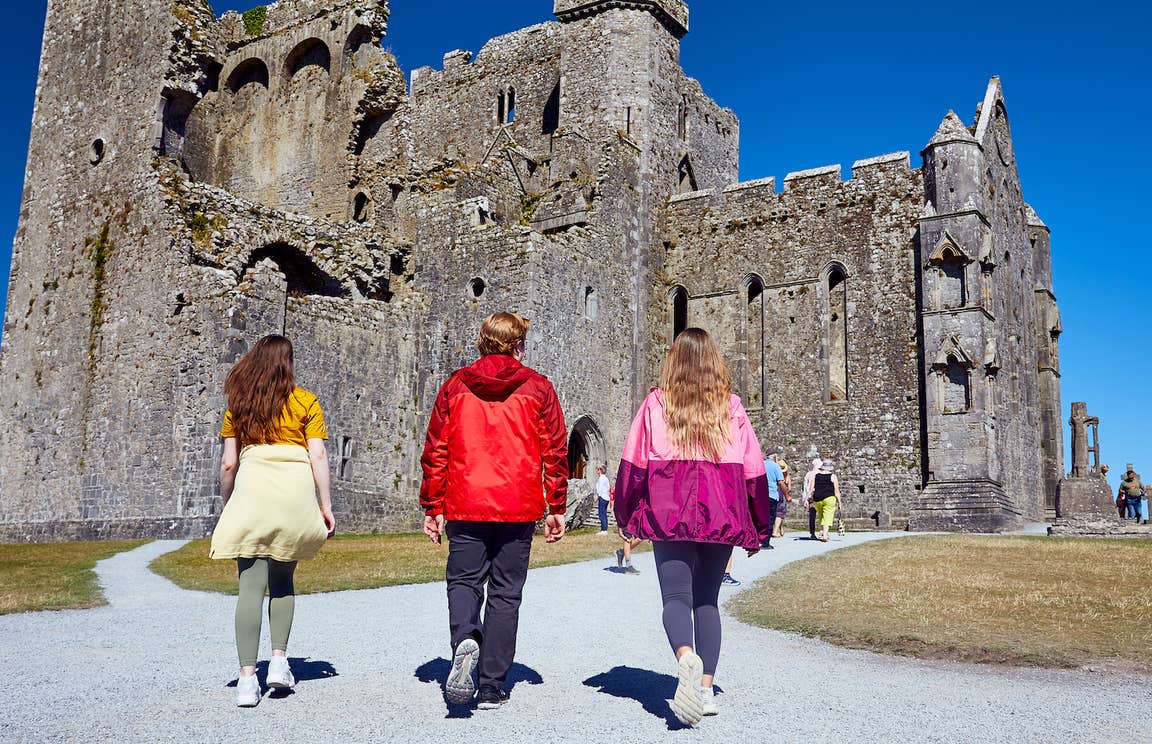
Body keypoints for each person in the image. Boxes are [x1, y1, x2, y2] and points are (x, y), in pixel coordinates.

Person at [614, 328, 773, 726]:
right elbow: (754, 472)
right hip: (721, 510)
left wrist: (625, 514)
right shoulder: (732, 407)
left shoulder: (656, 404)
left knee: (675, 599)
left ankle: (685, 655)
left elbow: (633, 464)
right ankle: (705, 690)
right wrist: (759, 526)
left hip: (669, 509)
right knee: (707, 601)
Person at [419, 312, 569, 710]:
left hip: (465, 499)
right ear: (518, 344)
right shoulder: (538, 388)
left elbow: (436, 449)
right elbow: (555, 451)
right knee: (506, 594)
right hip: (518, 504)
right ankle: (491, 685)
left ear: (482, 342)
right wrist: (556, 505)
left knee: (464, 581)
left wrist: (432, 505)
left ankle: (466, 637)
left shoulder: (455, 386)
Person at [209, 335, 336, 708]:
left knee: (250, 587)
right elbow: (320, 456)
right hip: (292, 496)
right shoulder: (305, 401)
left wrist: (228, 502)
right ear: (287, 363)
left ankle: (247, 681)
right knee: (282, 581)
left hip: (253, 492)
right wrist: (325, 504)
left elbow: (228, 464)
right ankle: (279, 662)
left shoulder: (239, 404)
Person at [811, 459, 842, 542]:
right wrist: (839, 502)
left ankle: (823, 532)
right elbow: (836, 491)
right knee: (828, 515)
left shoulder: (816, 475)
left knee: (821, 515)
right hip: (829, 497)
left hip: (817, 498)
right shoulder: (833, 476)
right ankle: (825, 535)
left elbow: (811, 488)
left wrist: (807, 499)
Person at [763, 447, 785, 549]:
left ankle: (758, 539)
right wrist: (787, 494)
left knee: (760, 518)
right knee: (770, 519)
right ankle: (766, 543)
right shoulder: (775, 466)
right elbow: (781, 482)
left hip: (760, 495)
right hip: (772, 495)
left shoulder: (761, 464)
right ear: (774, 456)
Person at [773, 456, 792, 538]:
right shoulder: (786, 477)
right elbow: (789, 489)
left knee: (774, 512)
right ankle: (776, 530)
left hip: (774, 493)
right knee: (780, 513)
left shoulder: (775, 474)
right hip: (782, 495)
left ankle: (779, 528)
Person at [803, 458, 822, 539]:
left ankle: (812, 533)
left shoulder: (808, 474)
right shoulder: (821, 473)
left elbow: (805, 487)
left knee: (812, 515)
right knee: (822, 514)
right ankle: (823, 531)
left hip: (811, 496)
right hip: (820, 495)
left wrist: (806, 499)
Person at [596, 465, 612, 535]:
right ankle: (604, 528)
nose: (596, 471)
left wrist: (597, 497)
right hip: (606, 497)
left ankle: (604, 529)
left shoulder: (602, 478)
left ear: (600, 470)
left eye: (597, 469)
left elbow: (600, 488)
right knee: (604, 513)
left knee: (601, 513)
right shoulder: (605, 478)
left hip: (602, 497)